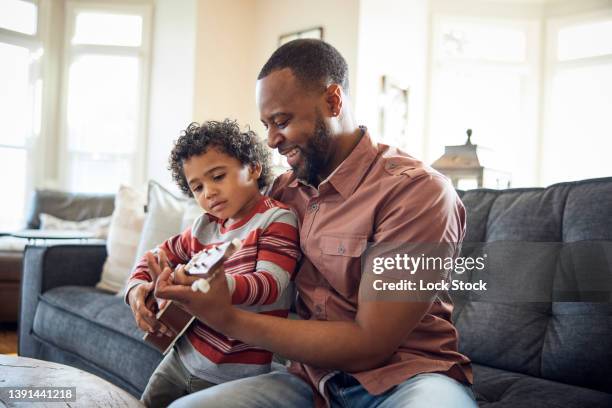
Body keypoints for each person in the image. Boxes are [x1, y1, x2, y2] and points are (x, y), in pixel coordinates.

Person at [150, 40, 478, 407]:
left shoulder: (418, 193)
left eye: (282, 121)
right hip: (308, 381)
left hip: (407, 378)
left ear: (334, 102)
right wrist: (146, 288)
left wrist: (227, 317)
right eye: (266, 125)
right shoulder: (283, 192)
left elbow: (371, 343)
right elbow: (211, 239)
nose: (271, 140)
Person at [125, 119, 300, 408]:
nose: (208, 192)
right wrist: (136, 289)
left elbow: (270, 284)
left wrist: (216, 286)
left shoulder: (276, 219)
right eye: (197, 187)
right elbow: (154, 257)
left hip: (237, 375)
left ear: (254, 168)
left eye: (218, 177)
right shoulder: (203, 227)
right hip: (180, 358)